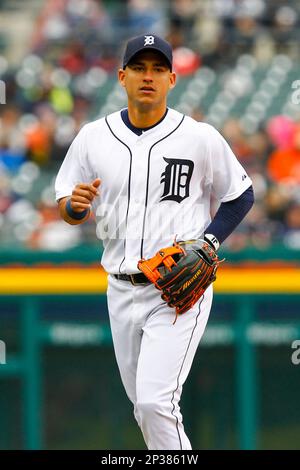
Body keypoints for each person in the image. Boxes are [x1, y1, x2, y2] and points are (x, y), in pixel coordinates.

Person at [55, 34, 254, 450]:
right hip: (119, 289)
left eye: (158, 69)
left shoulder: (199, 137)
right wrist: (75, 207)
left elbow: (240, 193)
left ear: (173, 79)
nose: (149, 76)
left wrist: (211, 243)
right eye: (141, 68)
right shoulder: (93, 137)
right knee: (143, 406)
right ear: (122, 76)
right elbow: (67, 205)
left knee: (154, 401)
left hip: (178, 289)